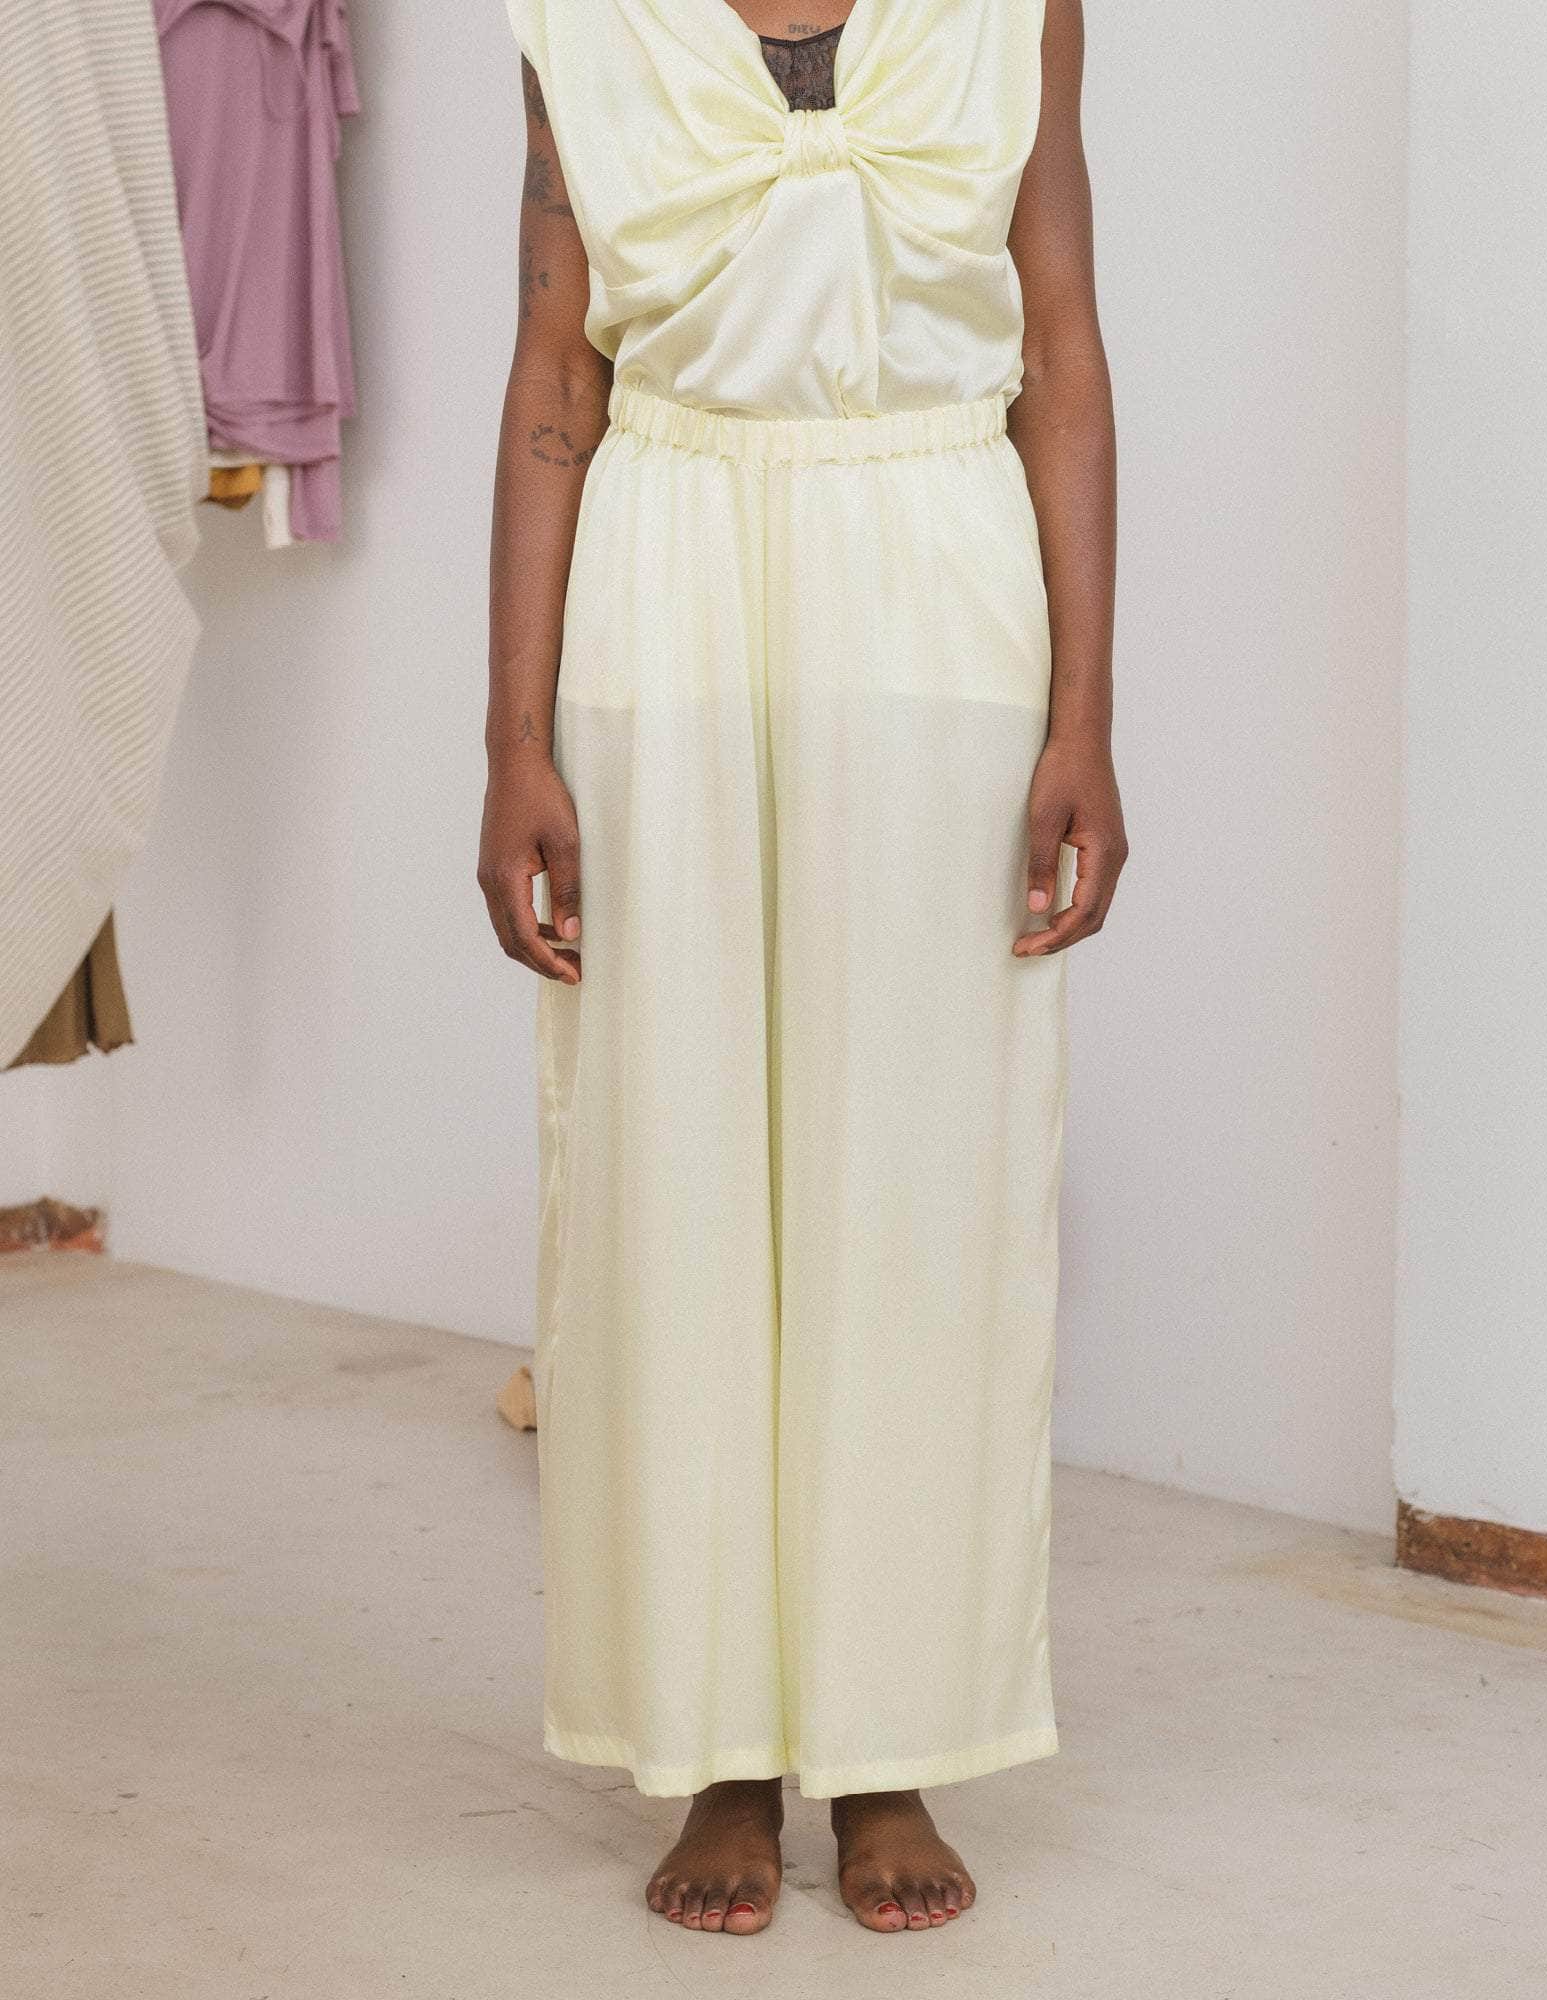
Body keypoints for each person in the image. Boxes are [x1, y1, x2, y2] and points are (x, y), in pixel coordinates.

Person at [480, 0, 1124, 1939]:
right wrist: (511, 739)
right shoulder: (574, 22)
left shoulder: (1015, 9)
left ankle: (888, 1738)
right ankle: (720, 1751)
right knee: (671, 1182)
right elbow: (552, 374)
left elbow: (1061, 350)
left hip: (935, 577)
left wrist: (1085, 718)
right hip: (663, 578)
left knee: (913, 1188)